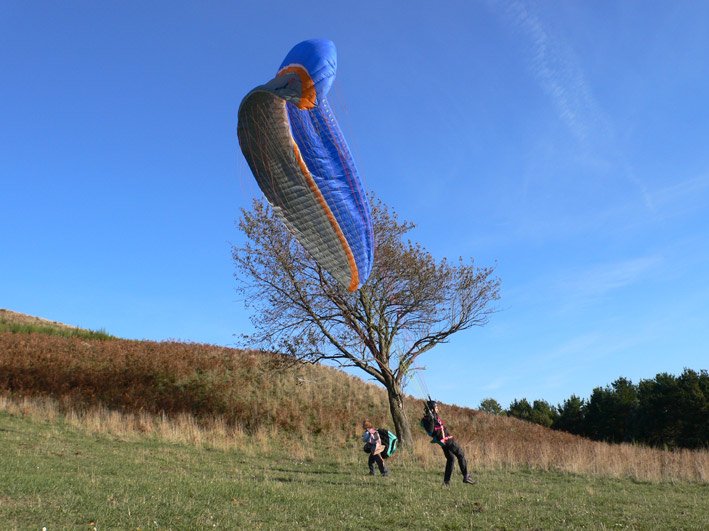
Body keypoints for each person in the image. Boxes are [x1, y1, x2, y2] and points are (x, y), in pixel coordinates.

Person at [421, 400, 478, 486]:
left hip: (444, 441)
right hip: (447, 441)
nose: (438, 409)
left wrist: (432, 415)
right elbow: (431, 430)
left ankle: (446, 482)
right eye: (436, 408)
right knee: (461, 454)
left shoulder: (433, 416)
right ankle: (466, 476)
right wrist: (431, 417)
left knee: (451, 459)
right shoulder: (428, 419)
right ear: (432, 409)